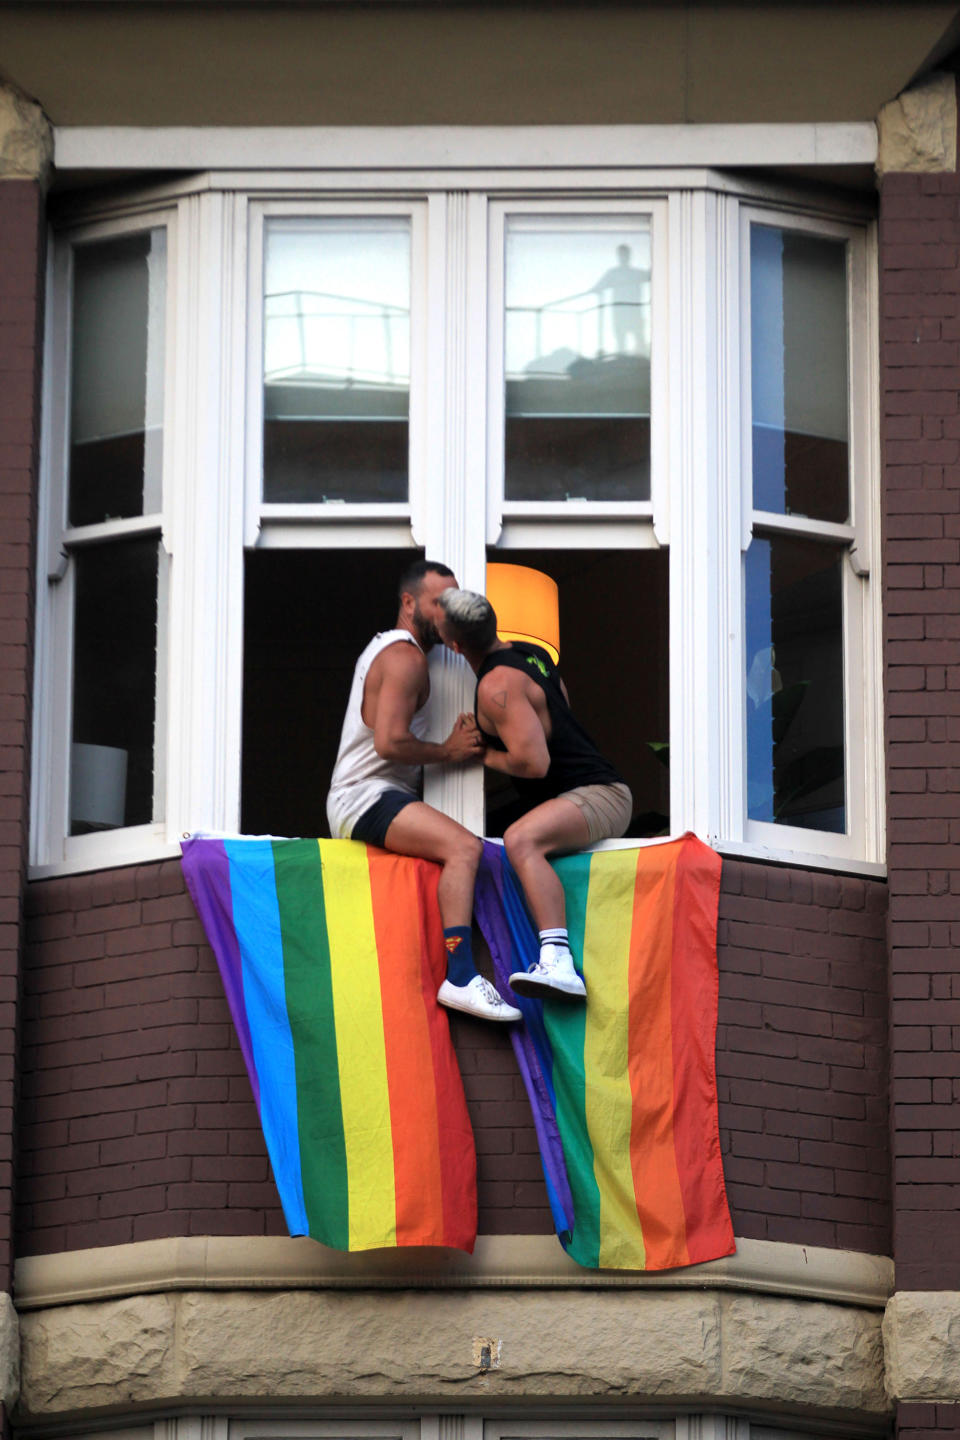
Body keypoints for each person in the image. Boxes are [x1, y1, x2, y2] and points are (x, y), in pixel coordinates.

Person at [327, 560, 521, 1024]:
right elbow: (389, 742)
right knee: (463, 848)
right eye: (438, 603)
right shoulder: (404, 657)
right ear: (409, 603)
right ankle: (459, 977)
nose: (447, 612)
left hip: (378, 796)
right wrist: (449, 751)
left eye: (453, 603)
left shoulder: (413, 655)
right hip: (363, 795)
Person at [437, 587, 632, 1001]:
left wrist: (484, 752)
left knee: (520, 839)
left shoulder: (494, 687)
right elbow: (557, 712)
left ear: (454, 647)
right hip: (597, 790)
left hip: (599, 795)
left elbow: (536, 764)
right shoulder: (532, 654)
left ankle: (559, 964)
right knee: (522, 833)